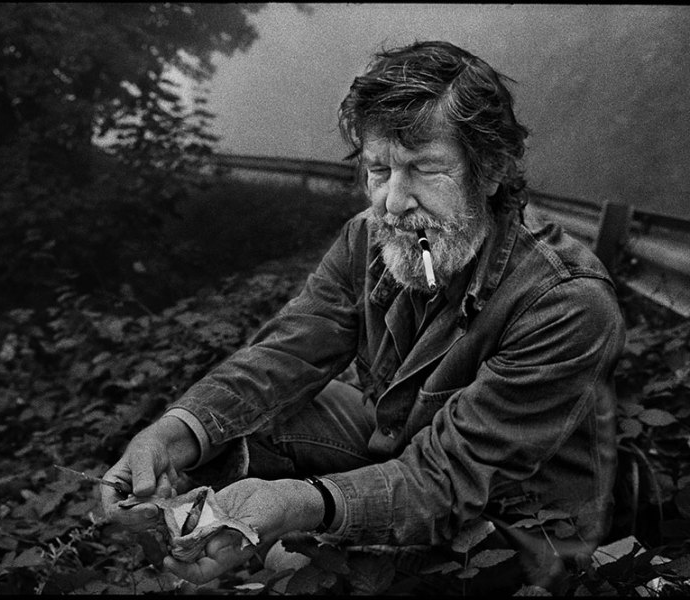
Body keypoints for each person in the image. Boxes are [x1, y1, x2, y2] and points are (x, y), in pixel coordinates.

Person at [101, 40, 625, 594]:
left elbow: (449, 480)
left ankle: (306, 550)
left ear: (489, 171)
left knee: (334, 565)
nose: (394, 202)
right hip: (402, 452)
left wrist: (301, 504)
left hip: (512, 530)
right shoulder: (368, 237)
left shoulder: (564, 302)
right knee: (235, 425)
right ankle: (227, 528)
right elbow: (284, 354)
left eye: (425, 169)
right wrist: (174, 433)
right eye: (379, 169)